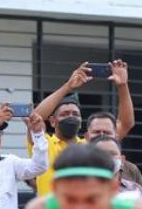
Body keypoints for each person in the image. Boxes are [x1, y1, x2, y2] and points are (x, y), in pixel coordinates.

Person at [32, 60, 134, 194]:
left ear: (81, 122)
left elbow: (125, 123)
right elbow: (35, 118)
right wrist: (68, 87)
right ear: (52, 121)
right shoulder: (44, 144)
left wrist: (122, 86)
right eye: (65, 114)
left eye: (75, 114)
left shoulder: (90, 145)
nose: (70, 117)